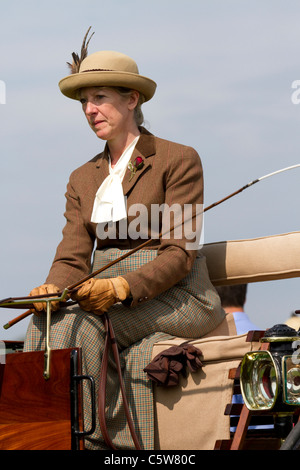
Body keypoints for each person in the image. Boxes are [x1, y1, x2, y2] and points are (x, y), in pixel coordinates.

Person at [23, 28, 225, 450]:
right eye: (84, 102)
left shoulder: (177, 158)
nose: (89, 110)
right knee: (44, 324)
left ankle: (97, 444)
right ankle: (38, 436)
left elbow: (179, 252)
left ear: (131, 99)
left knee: (82, 326)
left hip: (177, 294)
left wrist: (121, 286)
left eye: (99, 98)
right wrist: (53, 289)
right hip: (97, 291)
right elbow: (72, 257)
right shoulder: (82, 177)